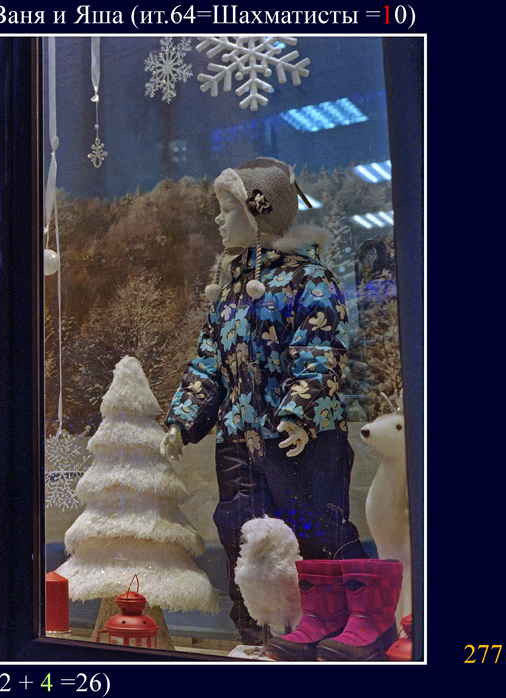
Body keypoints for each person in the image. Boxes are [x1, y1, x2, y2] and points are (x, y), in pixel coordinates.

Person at [161, 157, 368, 644]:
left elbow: (319, 352)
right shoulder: (229, 292)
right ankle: (255, 637)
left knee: (315, 531)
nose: (218, 219)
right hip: (239, 440)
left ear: (260, 211)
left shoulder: (309, 279)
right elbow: (209, 361)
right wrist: (182, 420)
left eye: (227, 208)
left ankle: (335, 629)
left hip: (300, 440)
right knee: (243, 535)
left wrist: (298, 413)